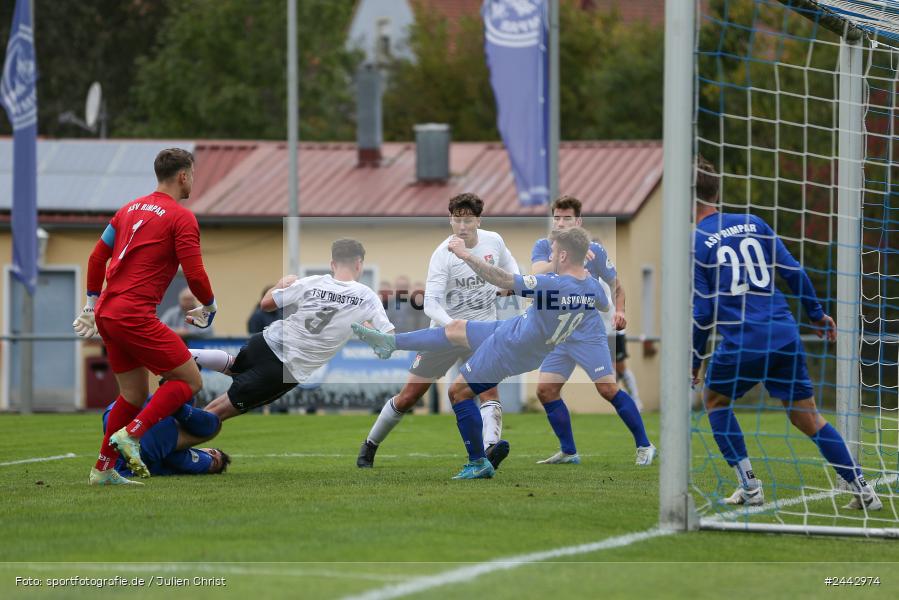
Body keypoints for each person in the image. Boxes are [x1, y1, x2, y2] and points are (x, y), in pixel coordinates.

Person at [692, 155, 880, 510]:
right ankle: (863, 490)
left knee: (715, 401)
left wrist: (694, 359)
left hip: (743, 340)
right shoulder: (754, 222)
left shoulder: (697, 240)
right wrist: (816, 314)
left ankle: (750, 487)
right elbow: (794, 272)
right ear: (716, 191)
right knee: (807, 416)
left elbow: (703, 312)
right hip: (783, 334)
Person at [353, 227, 610, 480]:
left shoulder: (552, 283)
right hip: (516, 333)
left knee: (458, 392)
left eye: (553, 253)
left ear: (563, 256)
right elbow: (604, 304)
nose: (550, 258)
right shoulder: (592, 287)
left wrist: (466, 255)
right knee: (455, 328)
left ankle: (477, 461)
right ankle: (390, 342)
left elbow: (504, 280)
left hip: (510, 345)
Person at [74, 148, 218, 486]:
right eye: (192, 175)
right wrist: (210, 305)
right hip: (133, 314)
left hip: (108, 312)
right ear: (183, 176)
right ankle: (133, 434)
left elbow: (96, 257)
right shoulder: (181, 217)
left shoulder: (127, 209)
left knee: (133, 396)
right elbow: (194, 273)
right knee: (190, 381)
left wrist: (91, 305)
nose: (193, 181)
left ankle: (103, 469)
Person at [355, 193, 519, 470]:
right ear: (450, 220)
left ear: (479, 221)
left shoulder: (494, 241)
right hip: (445, 333)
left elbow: (511, 267)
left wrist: (513, 284)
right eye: (457, 220)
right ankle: (370, 445)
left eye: (468, 220)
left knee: (489, 391)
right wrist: (451, 326)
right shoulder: (443, 254)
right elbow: (430, 304)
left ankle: (491, 448)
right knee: (408, 397)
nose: (462, 226)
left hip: (481, 332)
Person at [199, 239, 394, 420]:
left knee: (235, 368)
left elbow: (266, 304)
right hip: (286, 367)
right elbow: (388, 337)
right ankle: (179, 431)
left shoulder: (312, 281)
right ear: (359, 264)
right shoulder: (367, 297)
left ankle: (188, 355)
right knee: (218, 412)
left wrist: (279, 285)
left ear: (332, 264)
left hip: (266, 341)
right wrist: (371, 335)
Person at [530, 196, 654, 466]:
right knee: (546, 390)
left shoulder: (595, 250)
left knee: (607, 389)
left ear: (578, 221)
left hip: (587, 333)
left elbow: (616, 287)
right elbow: (536, 273)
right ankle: (569, 452)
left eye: (567, 218)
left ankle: (645, 445)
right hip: (559, 334)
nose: (561, 223)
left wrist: (620, 311)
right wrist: (564, 255)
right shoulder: (543, 246)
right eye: (557, 217)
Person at [99, 399, 229, 481]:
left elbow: (179, 459)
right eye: (212, 452)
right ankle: (178, 402)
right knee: (210, 424)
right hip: (117, 423)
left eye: (215, 462)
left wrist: (208, 462)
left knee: (213, 425)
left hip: (118, 409)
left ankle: (177, 402)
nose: (210, 455)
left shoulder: (203, 461)